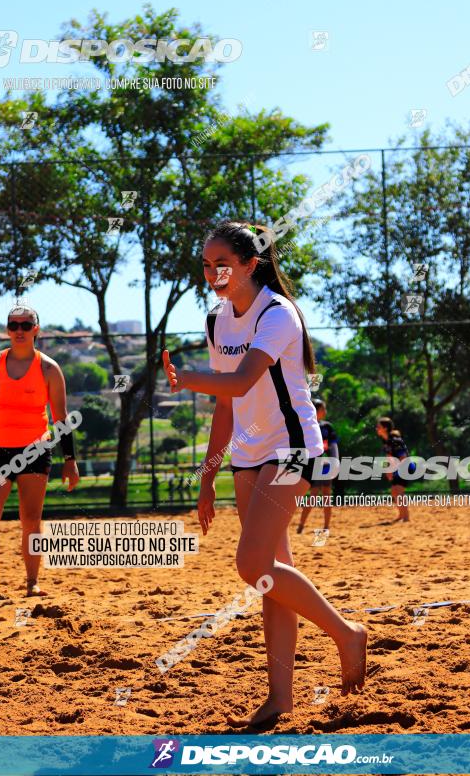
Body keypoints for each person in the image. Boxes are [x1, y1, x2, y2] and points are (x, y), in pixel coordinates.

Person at [162, 221, 367, 727]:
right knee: (270, 577)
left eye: (222, 264)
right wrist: (208, 476)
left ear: (250, 264)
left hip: (293, 447)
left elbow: (242, 378)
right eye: (206, 265)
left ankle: (346, 633)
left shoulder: (279, 313)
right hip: (248, 454)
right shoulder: (216, 320)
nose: (212, 273)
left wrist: (187, 378)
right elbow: (226, 405)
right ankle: (280, 698)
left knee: (252, 564)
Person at [0, 305, 80, 597]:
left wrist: (70, 461)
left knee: (31, 520)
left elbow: (61, 418)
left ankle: (32, 583)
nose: (19, 330)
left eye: (26, 324)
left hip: (35, 450)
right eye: (14, 325)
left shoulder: (49, 369)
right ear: (7, 330)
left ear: (37, 329)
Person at [296, 398, 338, 536]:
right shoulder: (306, 425)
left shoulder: (327, 426)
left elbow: (333, 446)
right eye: (323, 408)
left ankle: (326, 527)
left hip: (325, 465)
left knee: (326, 494)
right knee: (313, 495)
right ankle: (301, 525)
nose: (325, 411)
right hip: (313, 465)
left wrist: (335, 461)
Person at [375, 416, 410, 522]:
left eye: (378, 426)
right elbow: (388, 457)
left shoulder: (395, 440)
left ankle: (406, 517)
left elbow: (403, 457)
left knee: (399, 491)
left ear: (385, 428)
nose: (376, 428)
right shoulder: (386, 441)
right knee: (394, 492)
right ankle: (401, 515)